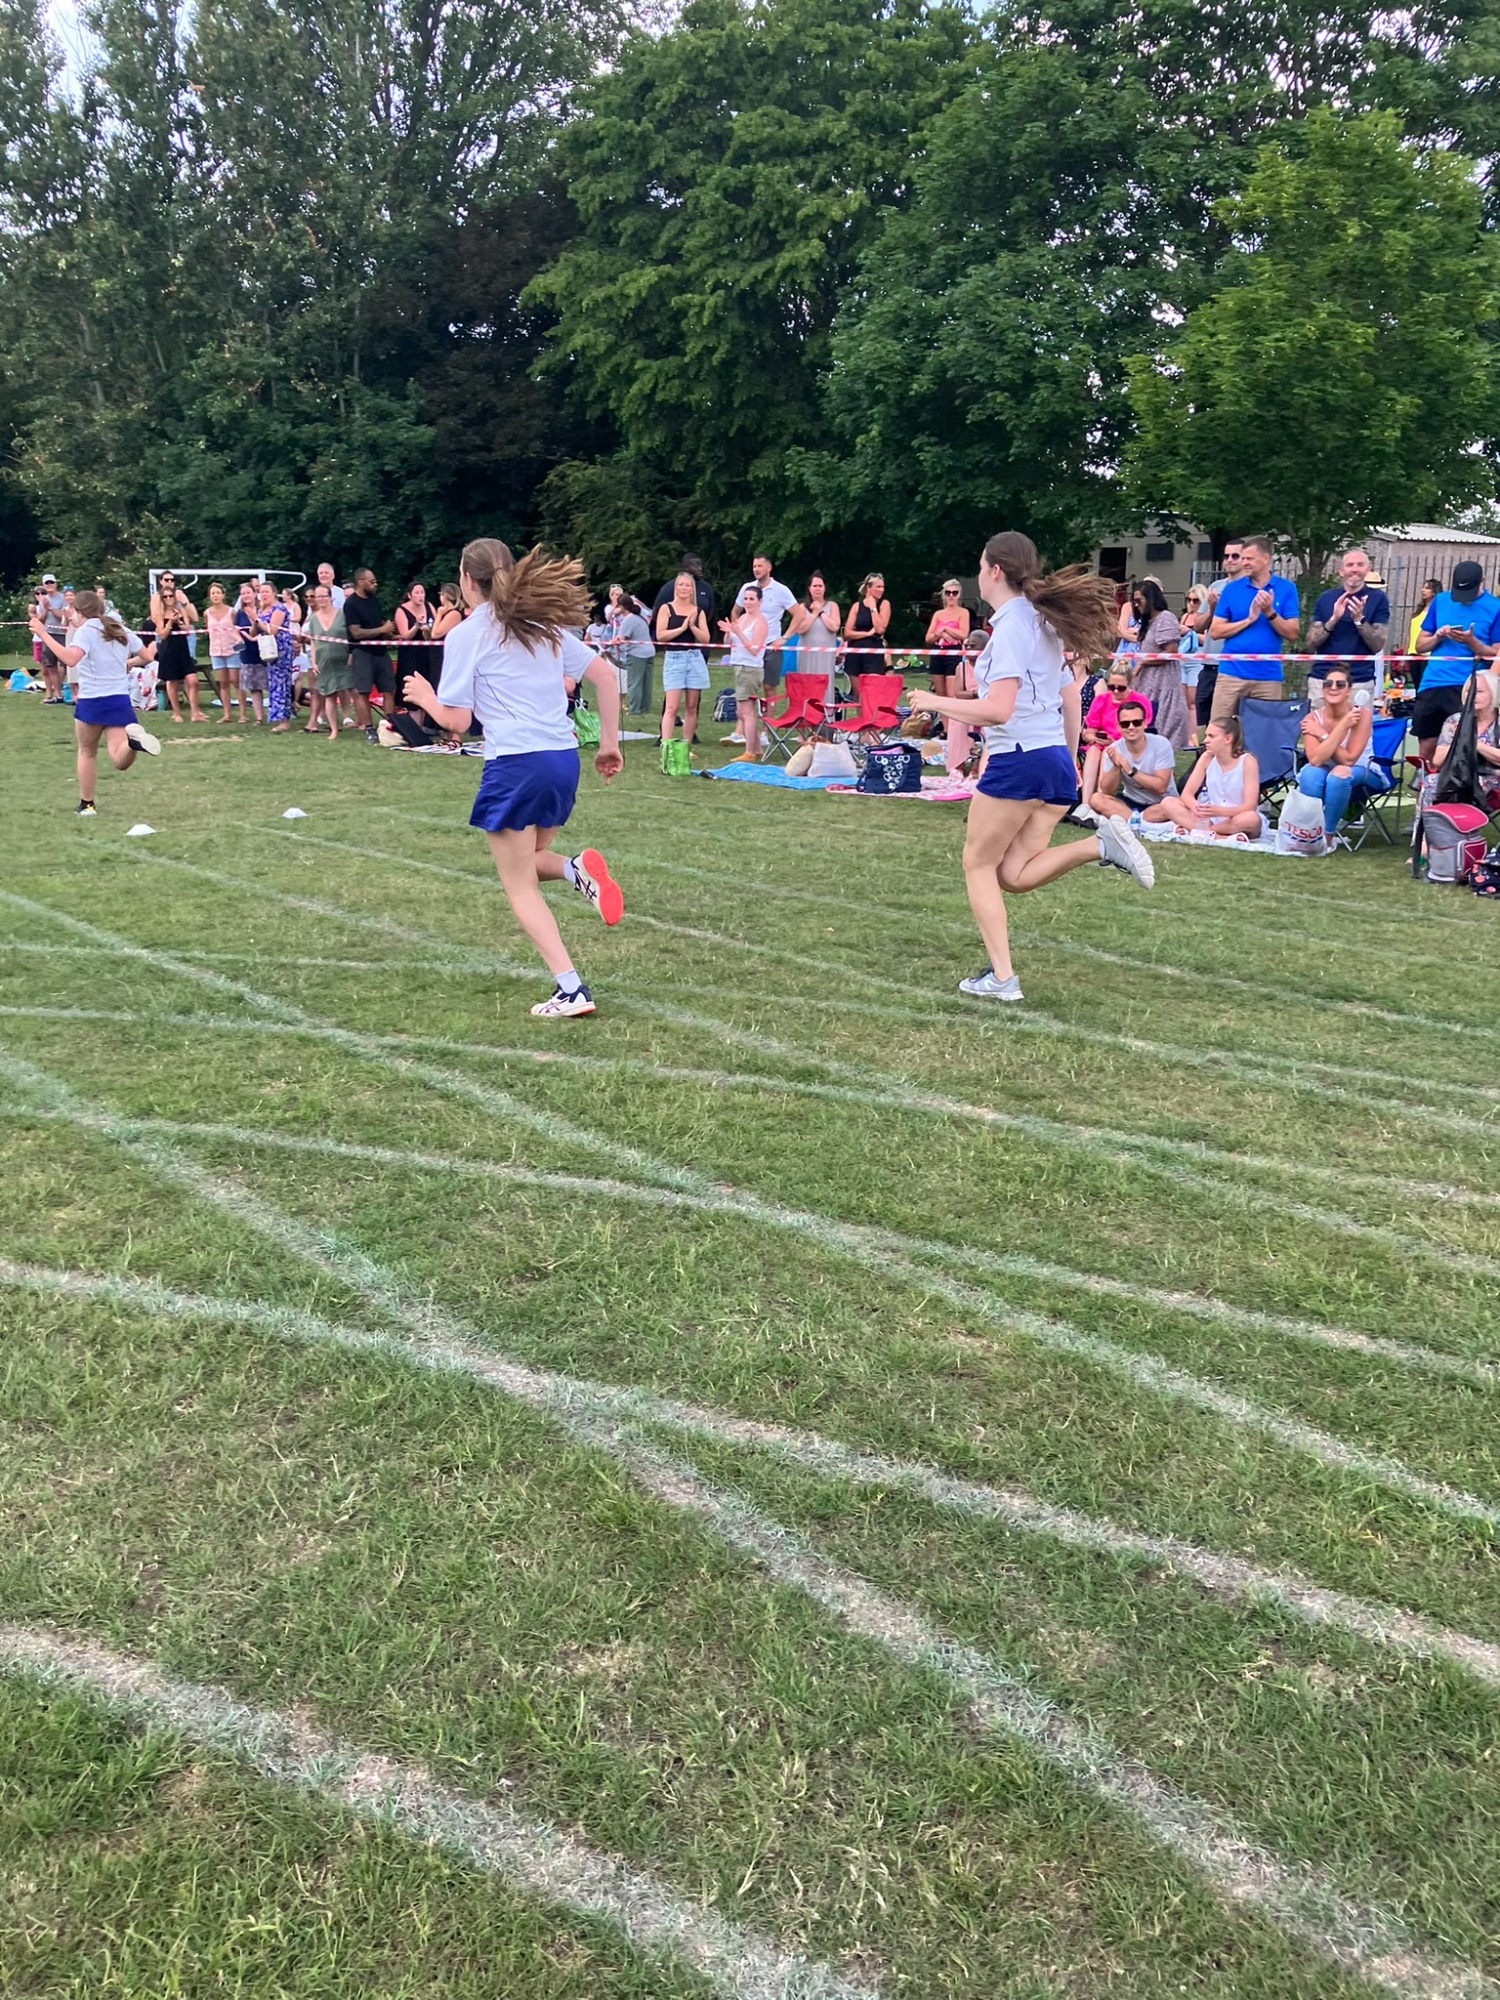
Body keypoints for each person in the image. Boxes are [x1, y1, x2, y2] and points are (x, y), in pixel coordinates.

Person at [906, 530, 1154, 1004]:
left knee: (977, 864)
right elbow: (1068, 699)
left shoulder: (1015, 629)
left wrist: (934, 700)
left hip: (1019, 759)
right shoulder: (1039, 623)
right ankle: (1099, 845)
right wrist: (1069, 761)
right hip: (1051, 762)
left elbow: (999, 709)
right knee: (1014, 875)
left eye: (980, 566)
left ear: (995, 571)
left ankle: (1002, 979)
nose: (978, 574)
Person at [401, 537, 624, 1019]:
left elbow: (457, 722)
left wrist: (423, 697)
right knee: (531, 859)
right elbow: (606, 677)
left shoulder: (466, 633)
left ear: (465, 579)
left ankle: (571, 989)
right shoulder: (542, 625)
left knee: (518, 885)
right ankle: (574, 869)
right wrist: (609, 743)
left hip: (516, 763)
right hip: (562, 760)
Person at [30, 589, 160, 815]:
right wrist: (128, 663)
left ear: (79, 612)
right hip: (119, 699)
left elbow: (71, 659)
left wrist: (43, 633)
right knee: (119, 759)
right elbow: (148, 657)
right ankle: (133, 743)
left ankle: (87, 805)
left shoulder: (85, 631)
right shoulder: (119, 628)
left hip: (92, 700)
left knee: (87, 751)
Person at [1413, 559, 1500, 760]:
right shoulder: (1441, 601)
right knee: (1427, 748)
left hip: (1468, 684)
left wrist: (1471, 642)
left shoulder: (1495, 607)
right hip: (1433, 682)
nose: (1463, 600)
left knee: (1464, 745)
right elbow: (1419, 646)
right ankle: (1426, 789)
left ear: (1482, 582)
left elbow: (1496, 653)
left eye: (1468, 594)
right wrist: (1438, 636)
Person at [1208, 534, 1299, 721]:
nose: (1244, 563)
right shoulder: (1232, 589)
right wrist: (1248, 620)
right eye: (1243, 558)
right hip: (1231, 673)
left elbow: (1292, 633)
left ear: (1265, 559)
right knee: (1220, 728)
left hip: (1268, 676)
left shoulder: (1286, 588)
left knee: (1265, 734)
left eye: (1249, 559)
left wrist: (1269, 612)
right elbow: (1215, 631)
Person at [1294, 666, 1375, 838]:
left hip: (1363, 770)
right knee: (1310, 773)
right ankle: (1309, 833)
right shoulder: (1311, 719)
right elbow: (1315, 760)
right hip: (1324, 767)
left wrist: (1323, 734)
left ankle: (1327, 835)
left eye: (1340, 684)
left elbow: (1349, 760)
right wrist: (1339, 729)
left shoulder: (1362, 715)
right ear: (1322, 689)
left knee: (1340, 773)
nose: (1333, 688)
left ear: (1348, 691)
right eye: (1328, 684)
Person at [1307, 548, 1389, 709]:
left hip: (1359, 679)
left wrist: (1359, 620)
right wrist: (1334, 619)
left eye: (1360, 564)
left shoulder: (1378, 599)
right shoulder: (1326, 598)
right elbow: (1311, 644)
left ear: (1368, 569)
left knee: (1357, 732)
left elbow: (1377, 645)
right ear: (1341, 571)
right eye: (1350, 565)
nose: (1354, 569)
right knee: (1318, 731)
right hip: (1322, 678)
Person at [1159, 717, 1264, 840]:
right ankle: (1219, 837)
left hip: (1236, 818)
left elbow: (1250, 806)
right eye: (1206, 736)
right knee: (1168, 803)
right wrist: (1196, 807)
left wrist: (1220, 811)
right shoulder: (1206, 758)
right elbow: (1186, 794)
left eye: (1211, 736)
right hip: (1211, 819)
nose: (1205, 741)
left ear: (1228, 739)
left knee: (1251, 818)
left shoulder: (1247, 761)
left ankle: (1203, 832)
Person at [1181, 539, 1244, 740]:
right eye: (1226, 556)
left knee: (1229, 722)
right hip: (1208, 664)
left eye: (1236, 556)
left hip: (1231, 666)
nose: (1230, 560)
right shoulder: (1215, 586)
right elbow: (1198, 626)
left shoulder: (1248, 589)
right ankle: (1205, 759)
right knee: (1205, 719)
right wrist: (1212, 608)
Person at [1088, 698, 1177, 822]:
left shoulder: (1161, 744)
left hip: (1161, 802)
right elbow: (1106, 791)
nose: (1131, 727)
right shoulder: (1114, 749)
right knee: (1096, 799)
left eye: (1136, 722)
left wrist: (1130, 771)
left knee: (1172, 806)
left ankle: (1134, 822)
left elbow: (1160, 787)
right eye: (1125, 724)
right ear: (1119, 727)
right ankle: (1140, 822)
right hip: (1130, 803)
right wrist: (1116, 767)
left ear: (1145, 723)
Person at [1128, 578, 1189, 749]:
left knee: (1160, 740)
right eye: (1134, 601)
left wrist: (1143, 662)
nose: (1136, 605)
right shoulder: (1148, 623)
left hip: (1163, 687)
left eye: (1139, 601)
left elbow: (1171, 651)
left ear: (1151, 599)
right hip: (1147, 687)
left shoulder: (1165, 618)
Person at [655, 570, 710, 748]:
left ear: (692, 589)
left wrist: (692, 626)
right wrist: (682, 627)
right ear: (675, 588)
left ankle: (686, 745)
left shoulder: (698, 611)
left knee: (692, 705)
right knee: (671, 707)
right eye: (681, 584)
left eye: (687, 585)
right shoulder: (666, 608)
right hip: (674, 658)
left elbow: (705, 639)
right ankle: (666, 745)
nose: (684, 588)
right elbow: (660, 636)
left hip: (694, 658)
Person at [1432, 669, 1500, 811]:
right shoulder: (1455, 721)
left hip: (1493, 780)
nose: (1473, 695)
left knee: (1461, 787)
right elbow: (1437, 761)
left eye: (1479, 691)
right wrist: (1458, 740)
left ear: (1493, 693)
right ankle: (1428, 830)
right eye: (1469, 691)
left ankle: (1458, 829)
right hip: (1457, 775)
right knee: (1431, 782)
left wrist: (1476, 744)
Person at [343, 568, 397, 742]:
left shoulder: (374, 601)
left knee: (389, 689)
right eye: (371, 581)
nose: (375, 585)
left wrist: (390, 634)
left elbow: (378, 622)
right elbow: (356, 632)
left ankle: (390, 725)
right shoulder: (351, 604)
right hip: (362, 653)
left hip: (380, 651)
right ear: (361, 581)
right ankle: (368, 728)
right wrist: (382, 629)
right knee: (363, 692)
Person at [721, 582, 768, 761]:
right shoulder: (741, 619)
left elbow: (755, 649)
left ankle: (749, 752)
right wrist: (729, 632)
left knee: (746, 712)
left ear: (759, 602)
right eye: (746, 599)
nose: (748, 602)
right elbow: (729, 643)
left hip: (751, 668)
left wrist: (739, 633)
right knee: (742, 713)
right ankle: (755, 749)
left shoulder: (760, 622)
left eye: (751, 599)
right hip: (739, 666)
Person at [734, 555, 796, 690]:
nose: (756, 569)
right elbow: (736, 611)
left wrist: (784, 638)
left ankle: (768, 712)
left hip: (770, 645)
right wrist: (737, 633)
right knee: (747, 686)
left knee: (769, 687)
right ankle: (749, 711)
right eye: (754, 566)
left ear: (769, 568)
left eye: (760, 566)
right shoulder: (747, 588)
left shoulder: (781, 590)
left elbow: (799, 614)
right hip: (749, 645)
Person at [151, 570, 205, 723]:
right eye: (165, 596)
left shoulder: (181, 609)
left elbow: (188, 629)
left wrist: (179, 622)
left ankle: (195, 713)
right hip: (168, 649)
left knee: (193, 680)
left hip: (183, 648)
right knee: (172, 681)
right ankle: (177, 713)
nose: (168, 598)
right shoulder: (159, 613)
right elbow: (161, 634)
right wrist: (170, 623)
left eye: (171, 596)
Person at [302, 584, 352, 738]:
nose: (321, 599)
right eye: (318, 596)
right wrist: (314, 662)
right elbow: (313, 642)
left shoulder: (343, 614)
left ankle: (360, 722)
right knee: (329, 695)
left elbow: (351, 637)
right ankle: (334, 729)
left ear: (331, 597)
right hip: (324, 662)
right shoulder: (314, 619)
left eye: (324, 596)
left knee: (352, 690)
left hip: (343, 661)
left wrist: (351, 656)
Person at [785, 572, 841, 703]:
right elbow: (800, 629)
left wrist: (821, 612)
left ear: (824, 588)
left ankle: (826, 715)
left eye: (820, 585)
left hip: (826, 654)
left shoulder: (832, 606)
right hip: (807, 654)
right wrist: (813, 613)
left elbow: (834, 627)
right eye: (814, 585)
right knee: (806, 681)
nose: (817, 588)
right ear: (809, 588)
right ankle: (807, 714)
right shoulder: (802, 608)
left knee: (826, 682)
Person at [251, 580, 296, 731]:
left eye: (266, 592)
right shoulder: (262, 610)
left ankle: (284, 720)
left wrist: (257, 619)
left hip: (281, 649)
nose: (263, 595)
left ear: (273, 593)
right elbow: (254, 632)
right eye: (261, 592)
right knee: (273, 683)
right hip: (268, 649)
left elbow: (272, 630)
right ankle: (277, 717)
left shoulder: (279, 609)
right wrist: (254, 619)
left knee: (281, 682)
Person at [604, 584, 655, 715]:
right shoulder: (640, 616)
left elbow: (620, 638)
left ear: (621, 607)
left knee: (635, 682)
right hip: (650, 651)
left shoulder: (628, 620)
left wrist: (609, 643)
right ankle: (645, 707)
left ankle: (634, 709)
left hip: (637, 653)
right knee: (646, 682)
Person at [203, 582, 241, 722]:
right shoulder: (207, 613)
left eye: (218, 592)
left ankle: (243, 714)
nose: (216, 595)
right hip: (216, 651)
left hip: (232, 650)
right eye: (213, 593)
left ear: (223, 595)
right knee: (223, 683)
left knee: (236, 681)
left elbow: (237, 630)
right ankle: (227, 714)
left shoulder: (231, 611)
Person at [924, 581, 970, 698]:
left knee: (951, 694)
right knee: (940, 694)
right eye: (948, 593)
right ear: (944, 595)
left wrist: (945, 628)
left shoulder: (963, 612)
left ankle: (953, 716)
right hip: (937, 651)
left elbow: (964, 634)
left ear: (959, 595)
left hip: (953, 652)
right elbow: (928, 638)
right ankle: (942, 717)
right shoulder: (938, 614)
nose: (951, 596)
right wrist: (940, 635)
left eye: (954, 593)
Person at [233, 580, 267, 725]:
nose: (246, 596)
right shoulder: (240, 613)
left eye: (248, 592)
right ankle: (259, 717)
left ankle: (284, 711)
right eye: (243, 594)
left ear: (254, 593)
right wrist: (247, 638)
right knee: (254, 687)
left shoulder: (264, 609)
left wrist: (256, 637)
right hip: (248, 652)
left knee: (272, 684)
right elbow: (236, 629)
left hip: (266, 650)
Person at [844, 573, 891, 675]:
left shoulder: (884, 604)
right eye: (878, 586)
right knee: (857, 689)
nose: (882, 590)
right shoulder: (856, 606)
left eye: (883, 587)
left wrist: (873, 608)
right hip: (855, 650)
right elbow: (847, 633)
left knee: (872, 686)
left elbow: (880, 629)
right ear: (868, 588)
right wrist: (867, 634)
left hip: (874, 650)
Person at [36, 573, 66, 702]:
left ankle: (62, 691)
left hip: (62, 634)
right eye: (47, 583)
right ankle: (57, 694)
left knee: (65, 664)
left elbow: (63, 616)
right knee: (50, 665)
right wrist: (45, 610)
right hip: (48, 634)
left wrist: (51, 608)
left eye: (51, 582)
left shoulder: (63, 598)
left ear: (55, 583)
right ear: (43, 585)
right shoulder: (42, 600)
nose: (49, 585)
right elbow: (40, 620)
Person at [1408, 577, 1441, 660]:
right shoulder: (1419, 609)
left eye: (1427, 588)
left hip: (1427, 654)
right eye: (1423, 587)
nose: (1423, 590)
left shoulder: (1437, 610)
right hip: (1412, 652)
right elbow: (1409, 634)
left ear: (1434, 592)